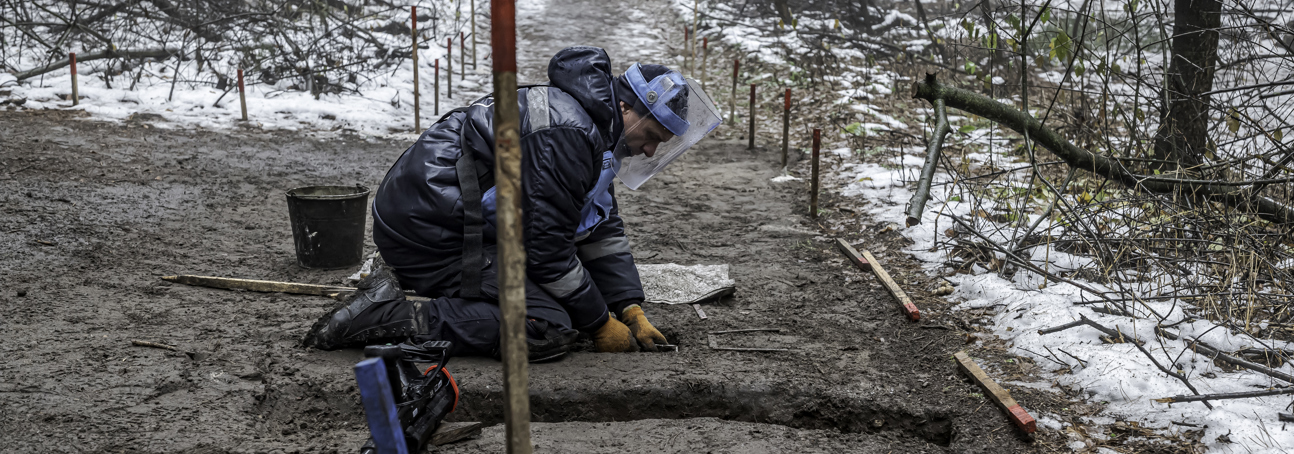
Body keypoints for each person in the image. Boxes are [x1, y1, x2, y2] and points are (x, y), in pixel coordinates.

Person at [304, 46, 722, 361]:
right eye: (651, 137)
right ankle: (385, 316)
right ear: (627, 107)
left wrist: (629, 306)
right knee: (548, 326)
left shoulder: (591, 129)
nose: (650, 152)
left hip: (438, 217)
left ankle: (410, 299)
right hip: (432, 235)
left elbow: (597, 225)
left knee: (570, 300)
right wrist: (598, 323)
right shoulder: (570, 135)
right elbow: (548, 250)